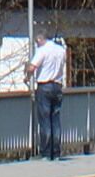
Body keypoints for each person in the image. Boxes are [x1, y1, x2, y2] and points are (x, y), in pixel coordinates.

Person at [29, 30, 69, 159]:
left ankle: (46, 153)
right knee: (55, 120)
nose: (37, 45)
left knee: (45, 120)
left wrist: (26, 76)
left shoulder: (43, 50)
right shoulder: (61, 50)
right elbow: (64, 63)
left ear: (40, 39)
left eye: (37, 42)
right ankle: (56, 152)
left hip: (44, 86)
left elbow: (32, 67)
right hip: (57, 86)